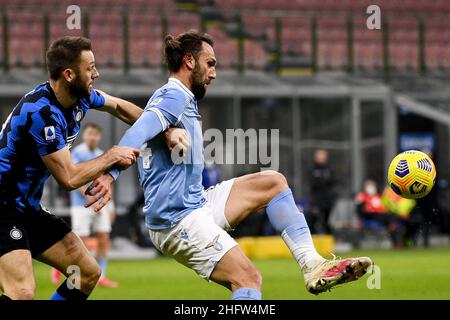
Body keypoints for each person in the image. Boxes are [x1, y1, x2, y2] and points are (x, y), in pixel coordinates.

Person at [87, 31, 372, 299]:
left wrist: (165, 133)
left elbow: (139, 119)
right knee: (248, 279)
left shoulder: (178, 97)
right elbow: (138, 132)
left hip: (197, 205)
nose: (214, 73)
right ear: (189, 61)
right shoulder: (173, 95)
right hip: (177, 220)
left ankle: (312, 265)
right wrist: (110, 172)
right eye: (210, 64)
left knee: (273, 182)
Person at [0, 36, 186, 300]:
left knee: (85, 273)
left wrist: (165, 130)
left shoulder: (82, 98)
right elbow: (68, 177)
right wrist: (111, 156)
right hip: (3, 209)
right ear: (68, 74)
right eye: (90, 68)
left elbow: (120, 108)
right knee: (21, 293)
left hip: (28, 208)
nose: (96, 73)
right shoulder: (40, 113)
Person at [51, 123, 118, 288]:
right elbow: (73, 179)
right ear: (84, 135)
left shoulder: (100, 154)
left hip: (101, 204)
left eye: (95, 134)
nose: (93, 137)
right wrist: (90, 195)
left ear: (99, 137)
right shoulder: (77, 153)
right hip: (82, 206)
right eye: (90, 134)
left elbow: (108, 180)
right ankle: (62, 267)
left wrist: (111, 206)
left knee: (104, 239)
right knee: (81, 242)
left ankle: (101, 276)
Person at [355, 179, 403, 247]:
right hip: (370, 215)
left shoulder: (379, 195)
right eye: (369, 185)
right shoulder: (362, 196)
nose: (371, 187)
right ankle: (392, 225)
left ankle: (395, 238)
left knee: (392, 216)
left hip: (381, 215)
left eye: (372, 185)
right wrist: (360, 219)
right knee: (390, 218)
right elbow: (359, 209)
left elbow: (385, 205)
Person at [309, 149, 337, 234]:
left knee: (327, 221)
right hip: (316, 200)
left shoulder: (329, 169)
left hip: (328, 200)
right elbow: (313, 183)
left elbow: (333, 181)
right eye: (319, 156)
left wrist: (322, 181)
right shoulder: (312, 169)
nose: (321, 158)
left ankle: (330, 241)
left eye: (323, 156)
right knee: (314, 219)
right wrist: (324, 181)